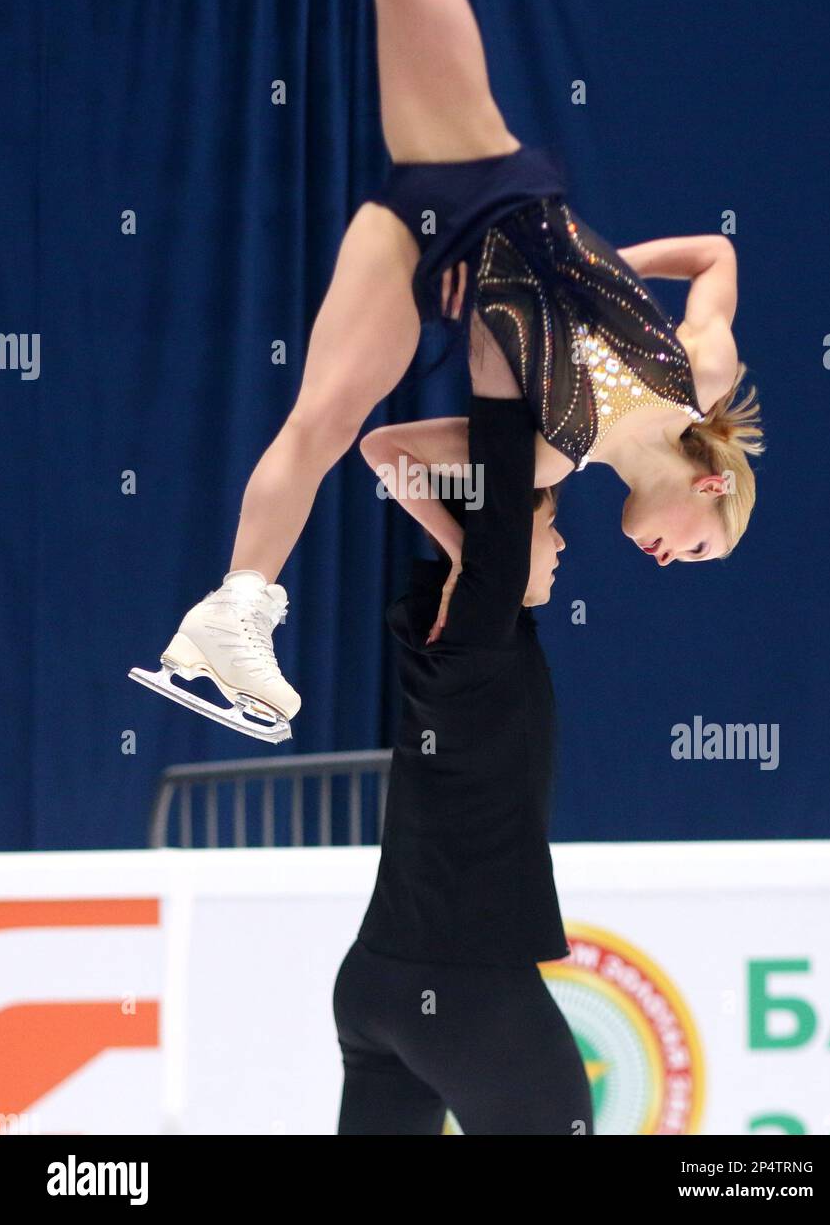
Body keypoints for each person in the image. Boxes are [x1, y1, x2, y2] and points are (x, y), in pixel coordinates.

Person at [129, 0, 763, 740]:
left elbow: (388, 451)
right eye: (699, 549)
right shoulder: (697, 374)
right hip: (483, 180)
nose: (670, 562)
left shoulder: (549, 459)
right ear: (710, 492)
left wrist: (469, 551)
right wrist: (608, 263)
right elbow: (716, 257)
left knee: (324, 423)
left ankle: (234, 604)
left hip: (427, 256)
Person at [333, 383, 593, 1135]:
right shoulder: (477, 628)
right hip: (468, 993)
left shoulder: (444, 631)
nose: (563, 543)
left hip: (376, 983)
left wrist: (459, 542)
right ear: (507, 543)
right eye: (550, 525)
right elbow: (460, 466)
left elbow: (395, 460)